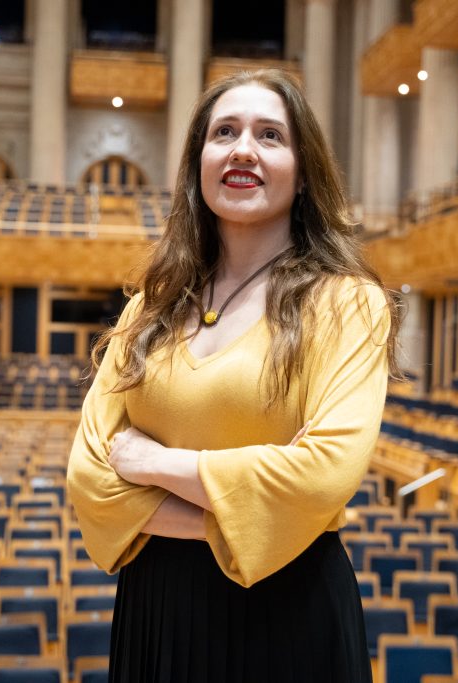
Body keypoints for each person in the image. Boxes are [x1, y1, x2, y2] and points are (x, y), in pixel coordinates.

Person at [66, 68, 401, 682]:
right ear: (199, 162)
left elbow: (322, 475)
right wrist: (241, 515)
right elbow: (89, 477)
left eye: (270, 135)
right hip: (158, 609)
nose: (243, 149)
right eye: (224, 132)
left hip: (288, 607)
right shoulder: (150, 308)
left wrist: (154, 464)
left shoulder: (348, 304)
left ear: (304, 172)